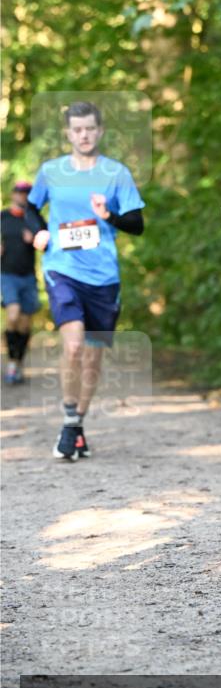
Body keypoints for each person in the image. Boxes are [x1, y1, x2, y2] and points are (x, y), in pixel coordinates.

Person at [25, 101, 145, 460]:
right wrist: (39, 232)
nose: (84, 135)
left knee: (92, 360)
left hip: (103, 277)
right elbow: (31, 209)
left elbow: (137, 224)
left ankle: (77, 425)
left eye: (90, 128)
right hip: (62, 269)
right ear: (68, 134)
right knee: (74, 345)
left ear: (100, 131)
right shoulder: (51, 171)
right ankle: (68, 419)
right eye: (77, 130)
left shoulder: (116, 173)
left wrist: (109, 214)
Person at [1, 180, 46, 383]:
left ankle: (18, 363)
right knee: (13, 315)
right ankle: (11, 364)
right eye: (19, 192)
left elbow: (48, 244)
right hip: (6, 275)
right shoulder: (2, 217)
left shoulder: (34, 219)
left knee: (25, 324)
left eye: (27, 192)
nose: (23, 195)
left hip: (28, 277)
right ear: (13, 194)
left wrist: (36, 241)